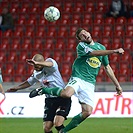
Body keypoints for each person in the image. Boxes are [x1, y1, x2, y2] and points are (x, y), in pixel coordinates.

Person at [29, 28, 124, 133]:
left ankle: (63, 131)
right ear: (80, 40)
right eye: (81, 35)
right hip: (78, 77)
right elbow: (94, 53)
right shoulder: (82, 46)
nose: (84, 34)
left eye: (85, 32)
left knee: (87, 112)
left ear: (89, 32)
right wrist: (114, 51)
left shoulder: (102, 47)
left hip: (90, 83)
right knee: (66, 94)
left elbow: (107, 68)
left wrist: (117, 85)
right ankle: (43, 90)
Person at [6, 54, 71, 133]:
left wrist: (38, 63)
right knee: (46, 128)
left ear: (42, 63)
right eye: (34, 65)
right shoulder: (36, 73)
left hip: (62, 97)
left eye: (37, 65)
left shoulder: (51, 66)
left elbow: (50, 63)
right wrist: (17, 88)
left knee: (57, 124)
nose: (35, 67)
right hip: (49, 100)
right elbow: (29, 82)